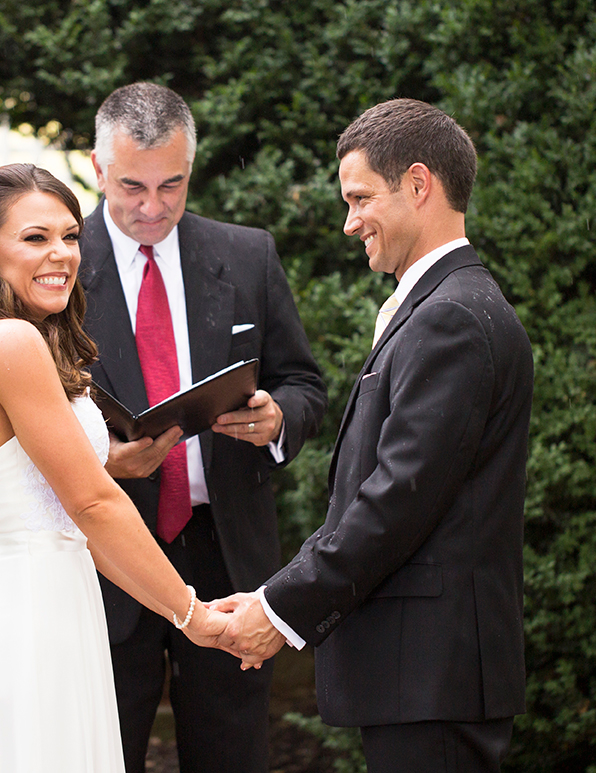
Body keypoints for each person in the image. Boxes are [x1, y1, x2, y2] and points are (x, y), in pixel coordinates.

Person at [218, 99, 534, 773]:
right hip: (423, 677)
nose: (348, 221)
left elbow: (394, 502)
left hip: (432, 678)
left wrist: (277, 608)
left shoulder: (450, 317)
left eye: (360, 197)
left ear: (418, 185)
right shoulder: (443, 307)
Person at [0, 163, 231, 772]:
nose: (61, 254)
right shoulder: (8, 342)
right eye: (35, 238)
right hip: (25, 623)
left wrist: (178, 612)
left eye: (69, 236)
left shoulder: (9, 338)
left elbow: (80, 521)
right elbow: (94, 503)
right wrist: (193, 613)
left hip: (55, 608)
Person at [79, 83, 328, 773]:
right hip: (105, 559)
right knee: (99, 753)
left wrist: (278, 417)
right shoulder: (57, 267)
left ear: (193, 166)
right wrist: (101, 460)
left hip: (228, 554)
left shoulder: (247, 255)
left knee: (231, 756)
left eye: (172, 184)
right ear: (96, 169)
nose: (152, 206)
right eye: (132, 185)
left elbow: (305, 384)